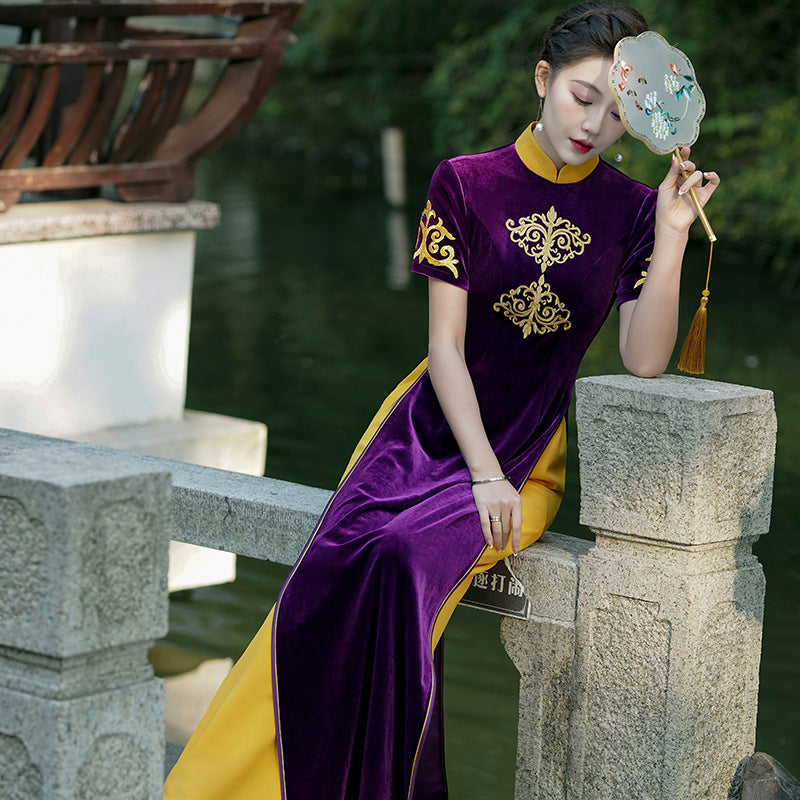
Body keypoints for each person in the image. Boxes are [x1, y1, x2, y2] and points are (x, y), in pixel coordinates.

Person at [163, 2, 720, 798]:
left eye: (614, 107)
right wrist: (479, 472)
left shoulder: (632, 210)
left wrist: (668, 236)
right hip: (425, 434)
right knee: (334, 568)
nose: (593, 123)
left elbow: (644, 358)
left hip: (530, 456)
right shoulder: (464, 183)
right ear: (542, 80)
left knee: (400, 558)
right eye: (580, 96)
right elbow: (445, 350)